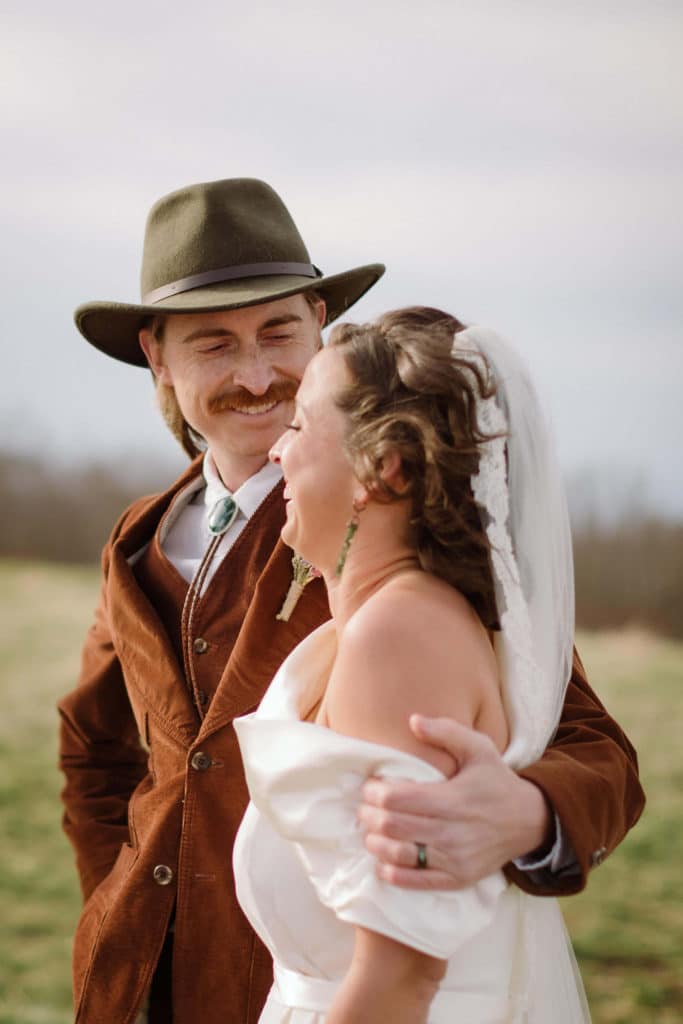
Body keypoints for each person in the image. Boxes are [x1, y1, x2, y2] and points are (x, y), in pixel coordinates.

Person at [58, 177, 644, 1024]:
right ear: (158, 355)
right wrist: (116, 903)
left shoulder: (412, 533)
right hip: (142, 982)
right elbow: (95, 748)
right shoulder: (138, 538)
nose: (258, 376)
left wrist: (521, 811)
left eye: (279, 333)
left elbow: (592, 744)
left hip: (332, 978)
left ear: (319, 327)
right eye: (216, 344)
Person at [232, 307, 594, 1022]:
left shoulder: (399, 635)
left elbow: (401, 978)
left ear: (383, 469)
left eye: (301, 425)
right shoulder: (382, 622)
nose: (278, 451)